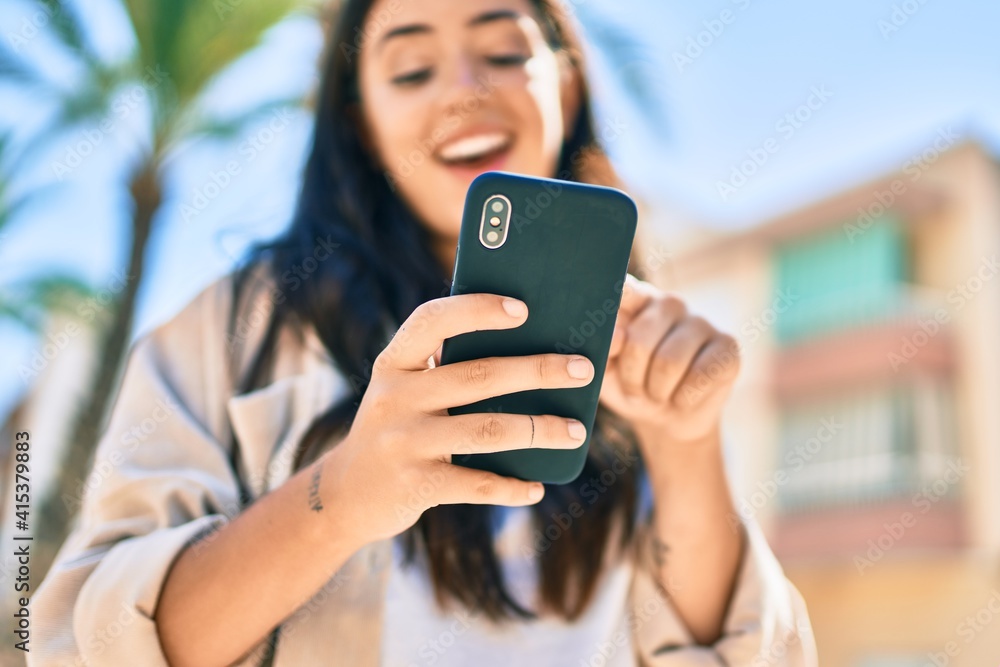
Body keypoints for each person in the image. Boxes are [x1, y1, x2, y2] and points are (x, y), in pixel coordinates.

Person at [30, 0, 817, 665]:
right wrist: (340, 497)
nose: (466, 91)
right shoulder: (229, 331)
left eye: (505, 52)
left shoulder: (644, 331)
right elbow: (84, 641)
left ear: (568, 81)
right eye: (411, 70)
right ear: (359, 120)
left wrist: (685, 449)